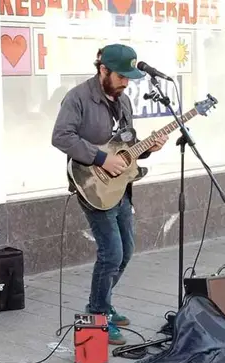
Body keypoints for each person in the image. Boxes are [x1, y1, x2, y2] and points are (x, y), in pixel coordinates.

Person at [51, 44, 168, 345]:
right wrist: (101, 159)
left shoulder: (124, 101)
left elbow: (125, 146)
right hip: (91, 184)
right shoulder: (78, 98)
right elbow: (61, 137)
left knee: (126, 251)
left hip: (120, 187)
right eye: (121, 76)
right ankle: (98, 312)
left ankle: (101, 301)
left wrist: (148, 148)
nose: (126, 83)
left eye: (129, 77)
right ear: (103, 69)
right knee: (111, 253)